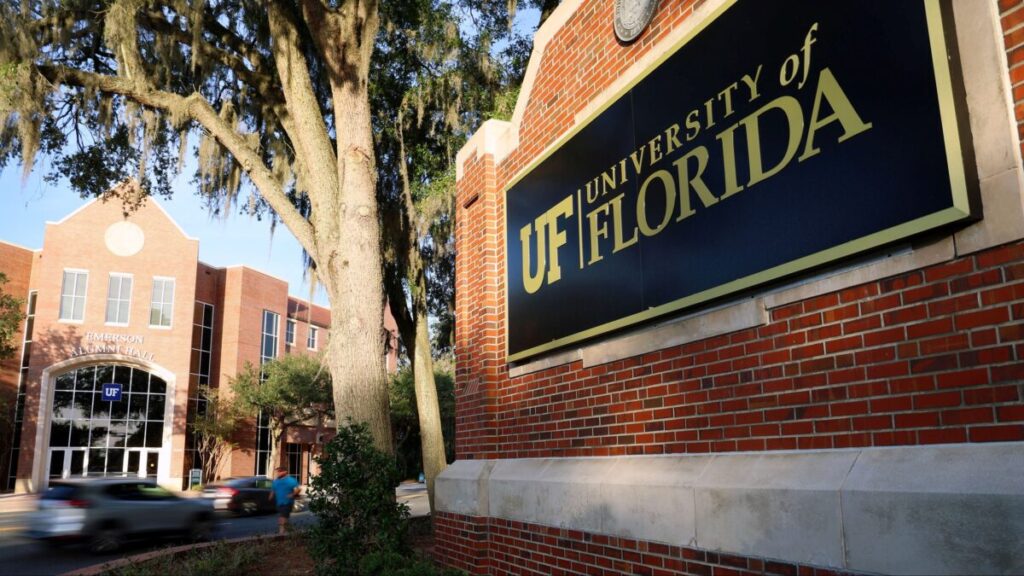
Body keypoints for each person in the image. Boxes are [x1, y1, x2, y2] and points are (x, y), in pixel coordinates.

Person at [269, 466, 301, 535]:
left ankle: (281, 534)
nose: (278, 473)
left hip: (287, 502)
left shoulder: (291, 480)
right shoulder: (276, 481)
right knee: (284, 518)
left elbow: (298, 489)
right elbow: (273, 491)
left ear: (285, 472)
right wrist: (270, 498)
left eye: (280, 471)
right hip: (279, 503)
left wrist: (292, 495)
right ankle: (291, 531)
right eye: (278, 471)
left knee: (282, 519)